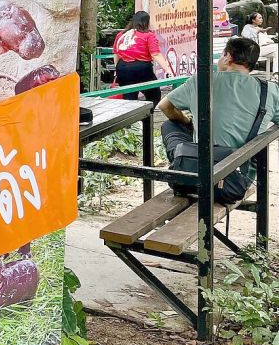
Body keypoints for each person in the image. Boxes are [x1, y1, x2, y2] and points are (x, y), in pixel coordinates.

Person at [158, 37, 279, 202]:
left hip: (198, 172)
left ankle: (181, 164)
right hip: (238, 178)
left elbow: (164, 106)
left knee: (170, 125)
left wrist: (187, 122)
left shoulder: (203, 80)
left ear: (228, 57)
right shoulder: (269, 90)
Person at [112, 11, 175, 104]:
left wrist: (117, 69)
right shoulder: (148, 35)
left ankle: (133, 117)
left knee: (129, 98)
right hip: (141, 68)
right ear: (146, 22)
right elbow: (155, 54)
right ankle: (146, 117)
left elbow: (116, 53)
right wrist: (168, 70)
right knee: (154, 95)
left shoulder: (121, 35)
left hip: (123, 67)